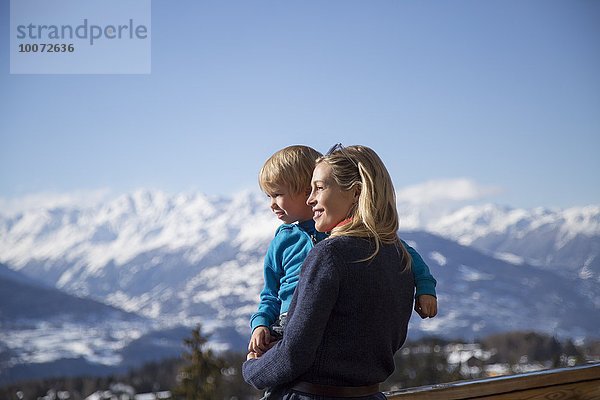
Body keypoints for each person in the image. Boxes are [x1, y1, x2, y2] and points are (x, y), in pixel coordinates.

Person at [243, 144, 427, 399]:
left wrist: (253, 369)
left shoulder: (329, 254)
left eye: (317, 188)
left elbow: (294, 354)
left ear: (355, 193)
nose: (310, 199)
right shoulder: (397, 254)